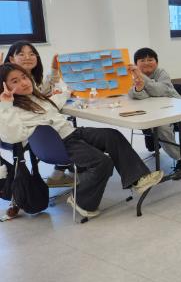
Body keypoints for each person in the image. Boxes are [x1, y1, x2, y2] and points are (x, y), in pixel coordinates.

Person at [0, 63, 163, 218]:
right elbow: (12, 136)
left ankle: (137, 179)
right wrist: (6, 106)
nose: (23, 82)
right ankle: (81, 201)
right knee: (102, 163)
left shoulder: (35, 98)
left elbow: (53, 104)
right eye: (15, 81)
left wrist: (67, 91)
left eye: (24, 77)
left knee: (112, 136)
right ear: (4, 86)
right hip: (60, 145)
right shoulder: (12, 110)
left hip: (72, 133)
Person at [3, 42, 73, 187]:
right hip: (19, 134)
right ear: (11, 59)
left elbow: (43, 91)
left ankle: (60, 173)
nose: (28, 57)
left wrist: (55, 75)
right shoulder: (7, 87)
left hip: (35, 131)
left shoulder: (31, 80)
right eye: (21, 54)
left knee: (62, 129)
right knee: (62, 133)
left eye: (32, 53)